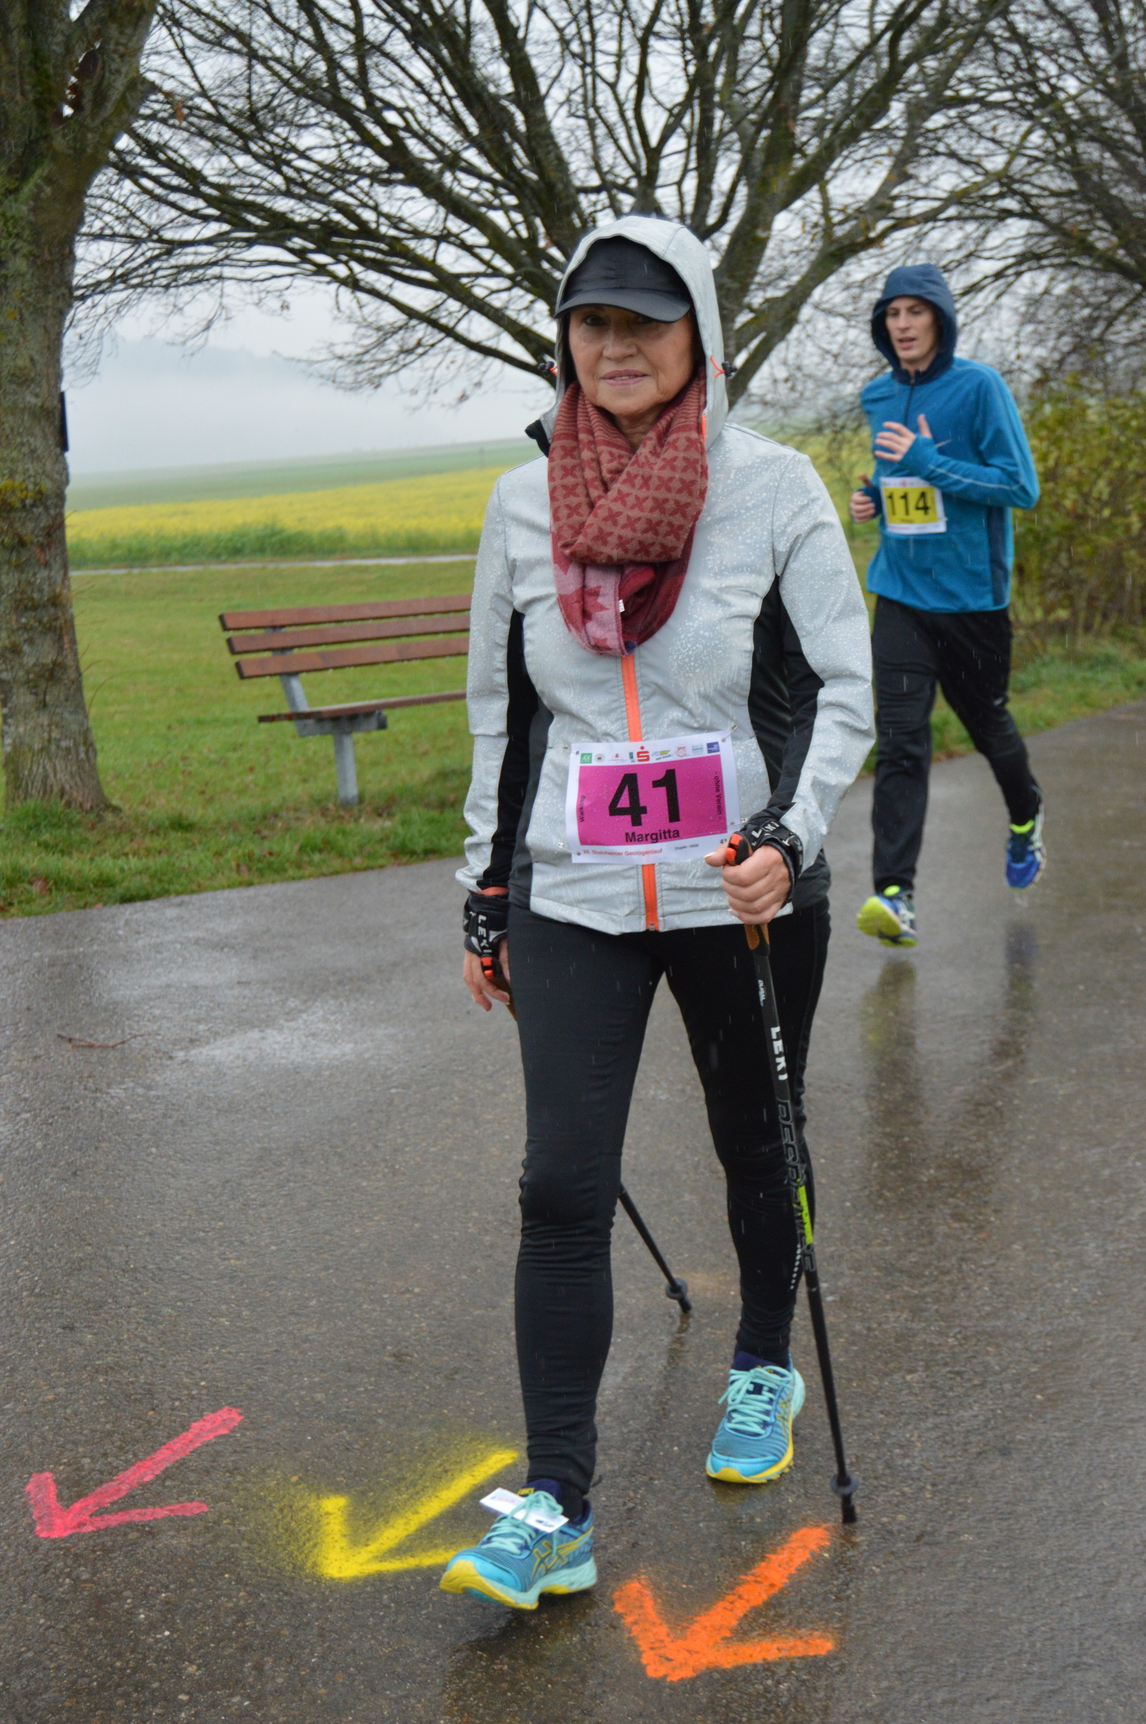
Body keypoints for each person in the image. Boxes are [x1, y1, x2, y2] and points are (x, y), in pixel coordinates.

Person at [439, 217, 873, 1612]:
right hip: (575, 886)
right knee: (559, 1182)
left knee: (758, 1137)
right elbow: (500, 713)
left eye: (645, 321)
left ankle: (762, 1363)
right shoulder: (521, 502)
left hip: (738, 883)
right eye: (593, 323)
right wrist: (486, 890)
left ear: (701, 337)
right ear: (565, 340)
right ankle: (555, 1503)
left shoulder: (772, 486)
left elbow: (846, 684)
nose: (616, 346)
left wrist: (791, 833)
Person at [850, 264, 1043, 950]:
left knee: (989, 727)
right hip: (901, 593)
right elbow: (903, 481)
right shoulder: (878, 394)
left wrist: (929, 461)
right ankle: (894, 894)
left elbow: (1019, 487)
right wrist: (875, 499)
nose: (902, 324)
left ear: (940, 318)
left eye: (915, 311)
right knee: (902, 741)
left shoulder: (979, 386)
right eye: (892, 313)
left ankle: (1026, 815)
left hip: (971, 601)